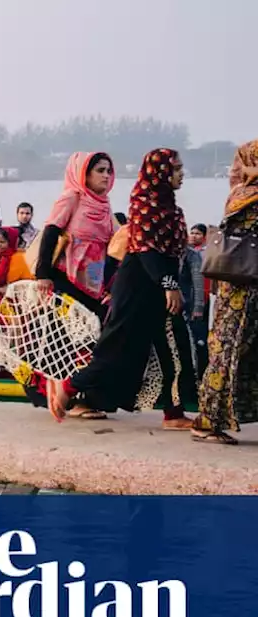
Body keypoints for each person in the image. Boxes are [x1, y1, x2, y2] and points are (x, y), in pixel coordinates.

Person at [48, 148, 195, 428]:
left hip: (159, 293)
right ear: (160, 173)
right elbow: (146, 250)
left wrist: (169, 285)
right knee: (118, 350)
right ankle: (70, 387)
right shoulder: (145, 206)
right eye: (176, 169)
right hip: (138, 290)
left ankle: (173, 413)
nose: (181, 174)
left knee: (174, 349)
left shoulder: (170, 209)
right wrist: (170, 285)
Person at [30, 151, 118, 417]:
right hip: (65, 279)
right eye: (99, 170)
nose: (106, 175)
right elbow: (51, 232)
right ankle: (69, 397)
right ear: (84, 173)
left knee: (96, 338)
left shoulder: (104, 205)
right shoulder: (72, 198)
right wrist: (43, 274)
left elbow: (112, 247)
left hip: (94, 284)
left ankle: (87, 397)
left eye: (108, 170)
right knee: (71, 338)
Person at [193, 141, 258, 445]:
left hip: (242, 288)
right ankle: (208, 421)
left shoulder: (241, 192)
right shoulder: (248, 196)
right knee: (228, 352)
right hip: (243, 291)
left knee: (234, 351)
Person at [181, 223, 207, 381]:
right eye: (192, 233)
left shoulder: (193, 255)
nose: (193, 236)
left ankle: (196, 379)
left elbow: (198, 283)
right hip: (171, 305)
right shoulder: (174, 253)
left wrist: (198, 307)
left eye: (197, 233)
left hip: (189, 305)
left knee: (195, 343)